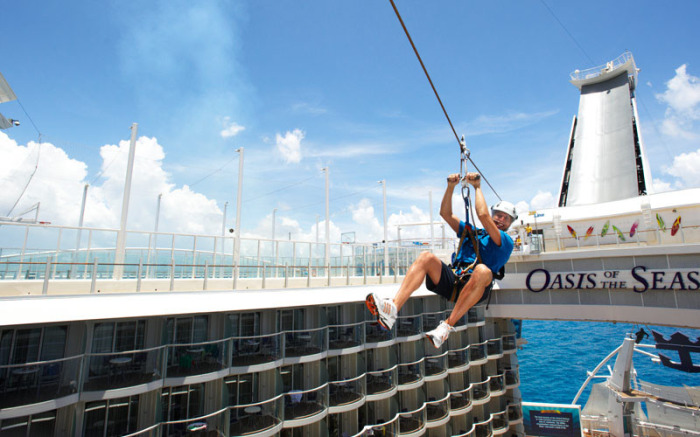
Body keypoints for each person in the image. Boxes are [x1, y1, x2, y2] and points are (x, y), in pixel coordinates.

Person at [366, 172, 517, 348]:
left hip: (476, 288)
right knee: (426, 257)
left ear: (510, 224)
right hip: (455, 281)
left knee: (483, 271)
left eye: (506, 218)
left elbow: (482, 215)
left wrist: (477, 187)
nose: (501, 219)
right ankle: (393, 308)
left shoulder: (506, 241)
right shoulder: (474, 232)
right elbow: (445, 214)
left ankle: (446, 326)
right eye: (498, 215)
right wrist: (450, 187)